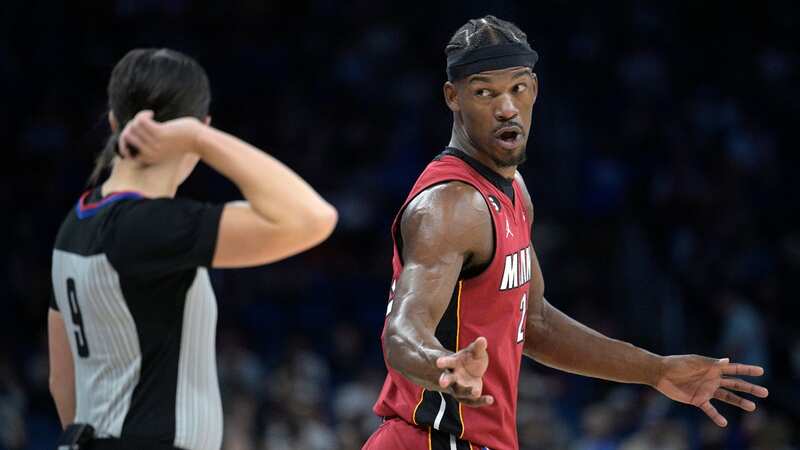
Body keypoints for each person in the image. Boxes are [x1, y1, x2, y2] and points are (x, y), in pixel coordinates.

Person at [363, 16, 768, 450]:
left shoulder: (514, 190)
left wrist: (656, 370)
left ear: (534, 90)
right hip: (428, 439)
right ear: (453, 97)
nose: (506, 107)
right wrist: (440, 364)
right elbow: (402, 329)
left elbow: (535, 323)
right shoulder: (451, 204)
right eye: (485, 92)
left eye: (517, 88)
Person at [47, 48, 337, 450]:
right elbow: (313, 218)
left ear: (114, 122)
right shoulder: (152, 228)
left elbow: (62, 380)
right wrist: (199, 139)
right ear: (198, 126)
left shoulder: (74, 224)